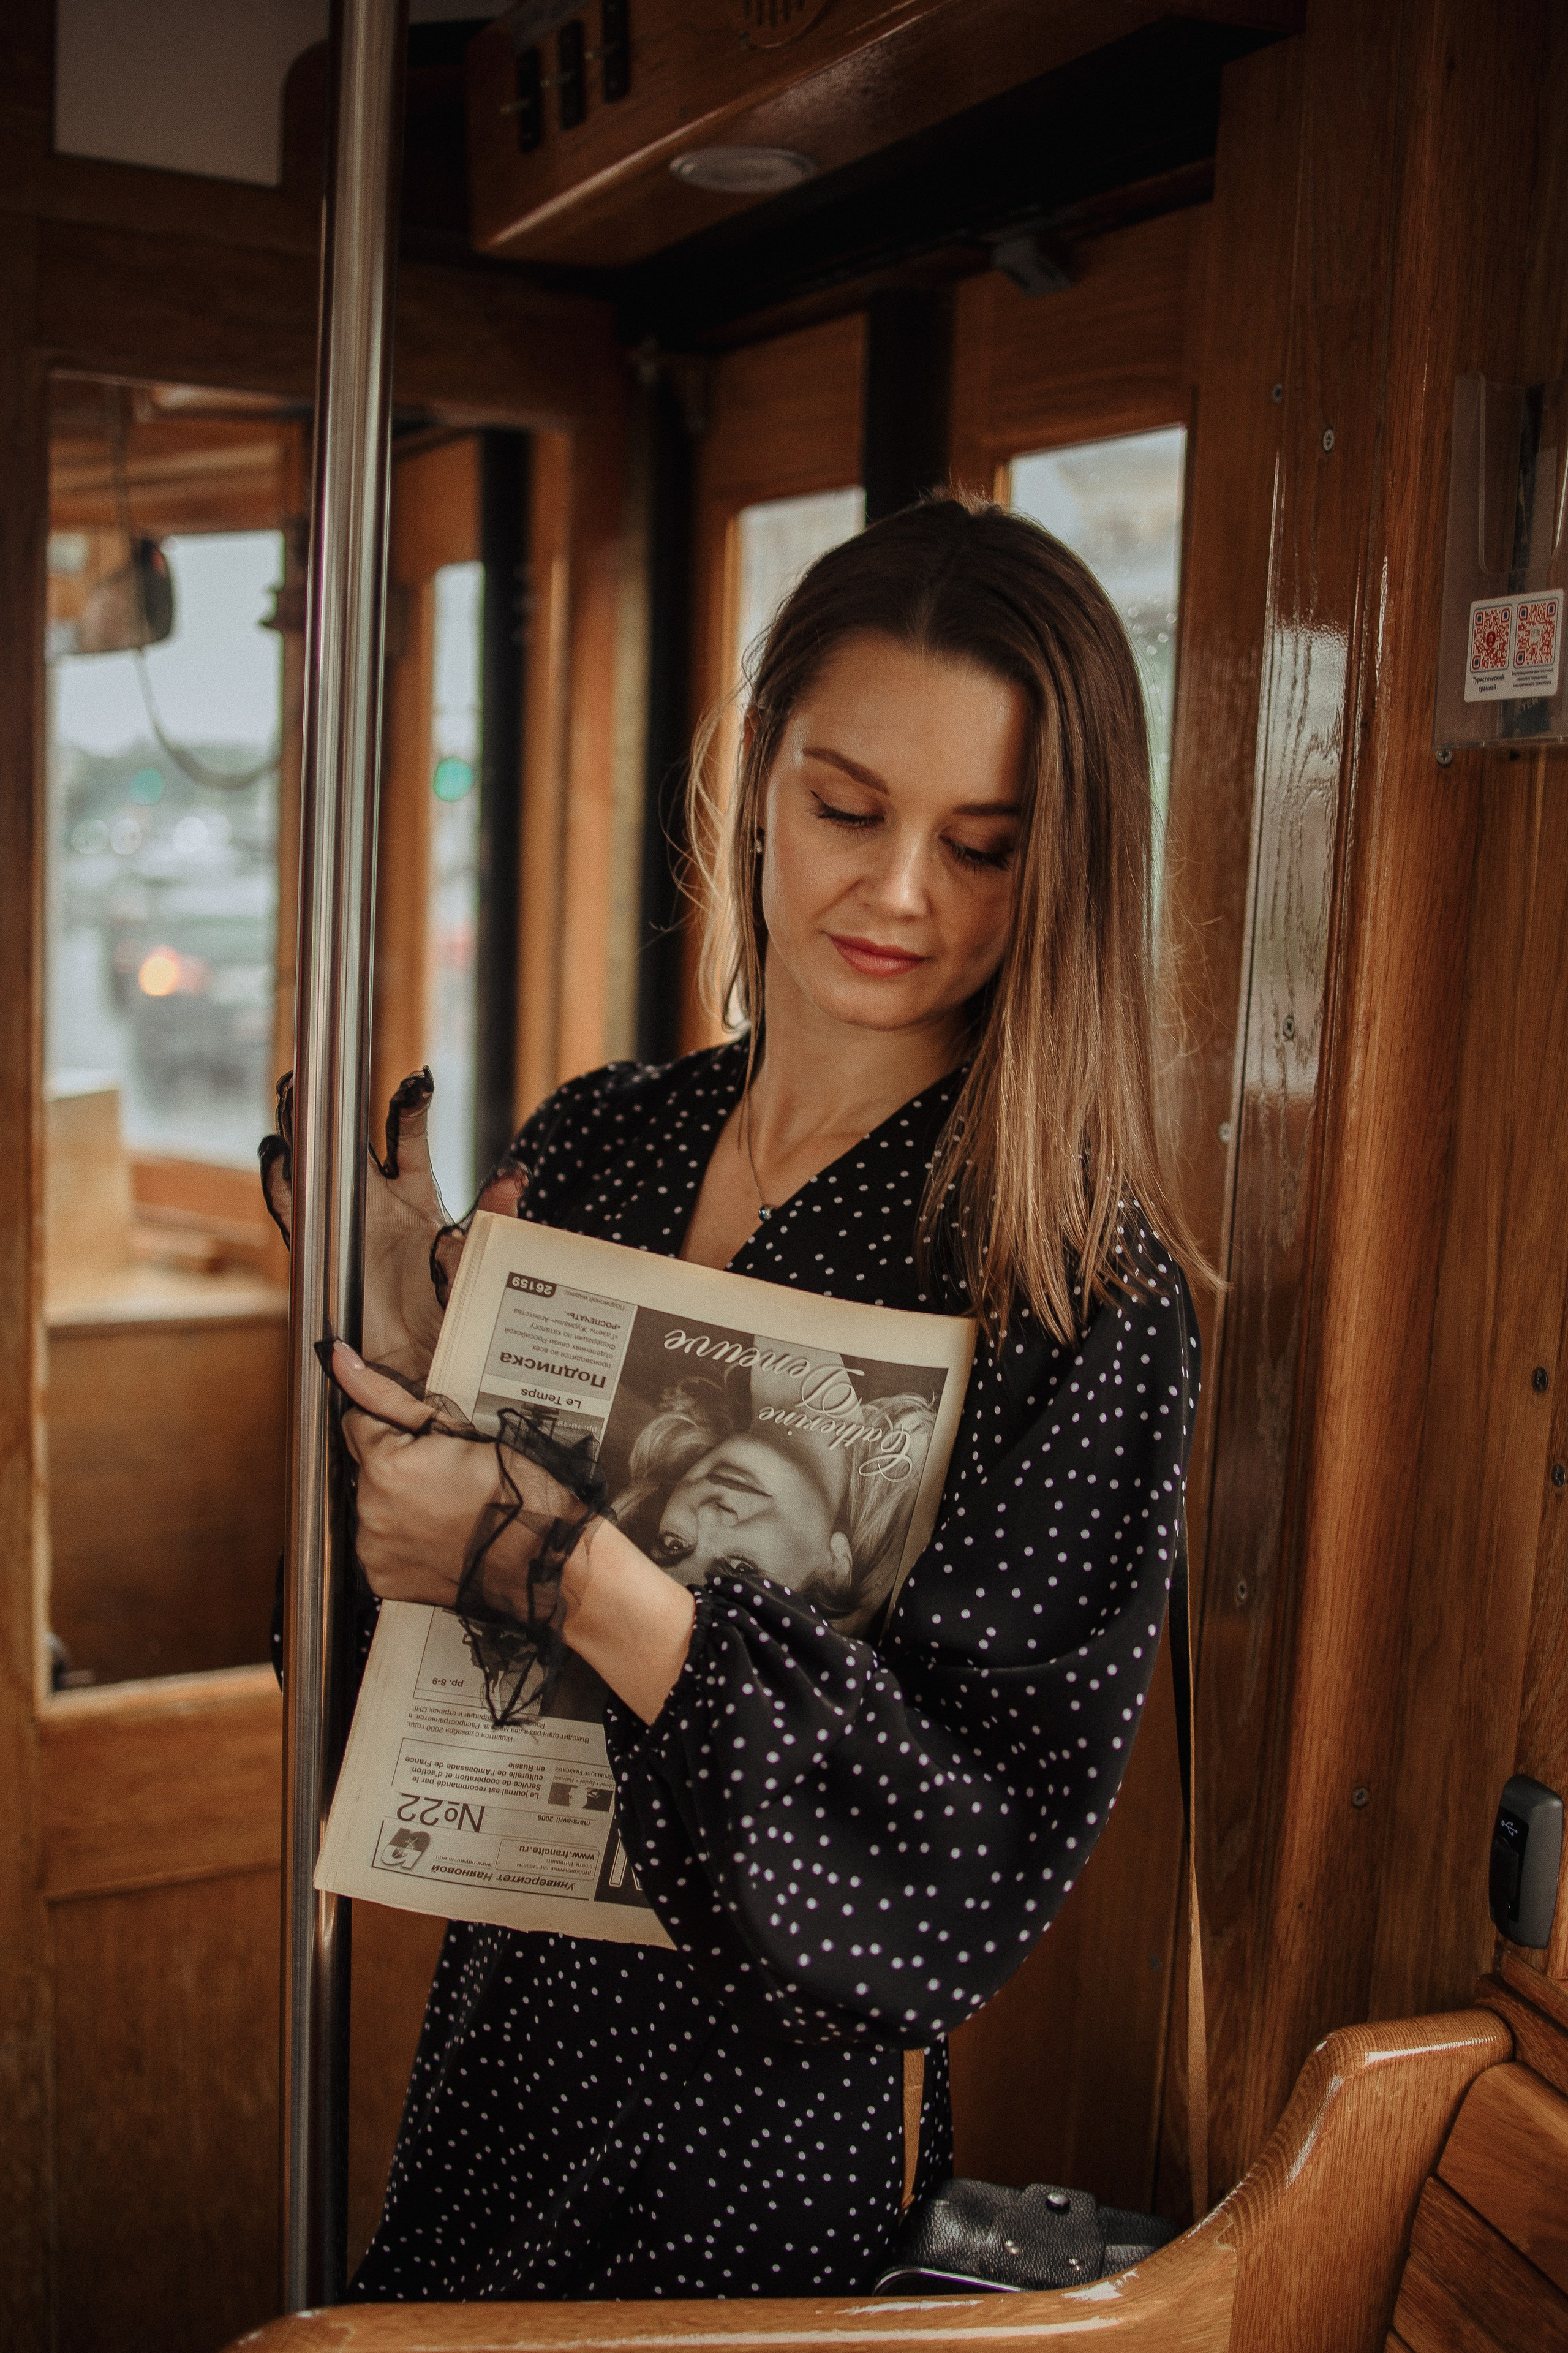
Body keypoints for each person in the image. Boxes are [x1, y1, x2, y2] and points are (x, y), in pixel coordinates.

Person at [263, 491, 1200, 2302]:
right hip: (499, 2058)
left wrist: (563, 1566)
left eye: (984, 845)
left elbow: (957, 1866)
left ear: (1066, 867)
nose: (901, 892)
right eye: (848, 808)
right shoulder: (604, 1143)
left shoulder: (1074, 1286)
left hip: (768, 2144)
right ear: (759, 770)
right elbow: (392, 1677)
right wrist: (389, 1385)